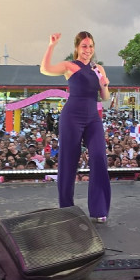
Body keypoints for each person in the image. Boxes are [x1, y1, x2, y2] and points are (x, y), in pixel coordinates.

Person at [40, 31, 111, 223]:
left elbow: (104, 99)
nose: (88, 50)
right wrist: (51, 45)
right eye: (84, 46)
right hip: (71, 116)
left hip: (93, 117)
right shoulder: (69, 66)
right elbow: (45, 69)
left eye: (90, 46)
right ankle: (67, 209)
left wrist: (104, 85)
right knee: (68, 161)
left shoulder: (99, 69)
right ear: (77, 48)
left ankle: (99, 209)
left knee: (98, 157)